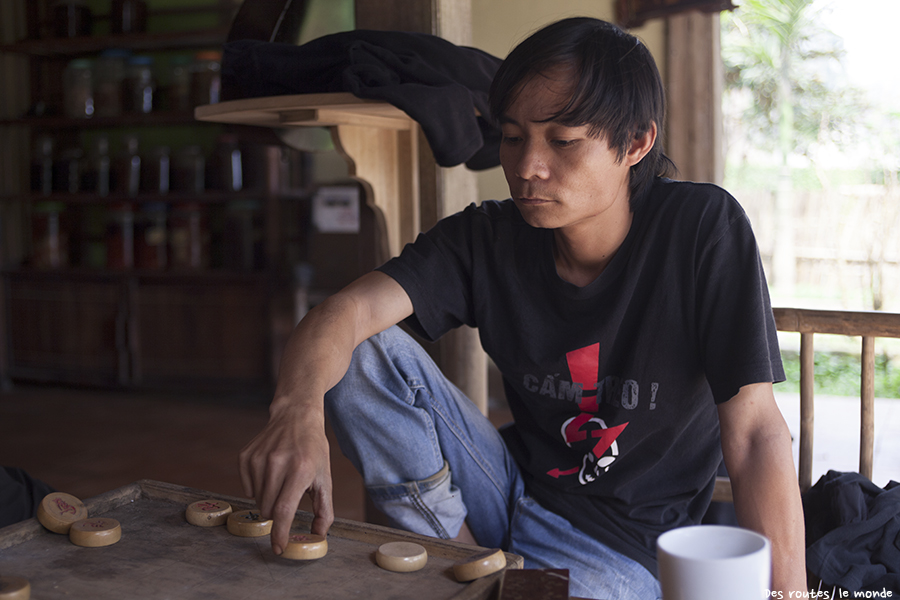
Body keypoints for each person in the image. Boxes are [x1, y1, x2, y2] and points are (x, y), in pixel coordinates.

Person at [239, 16, 806, 599]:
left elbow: (756, 432)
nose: (528, 166)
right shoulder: (489, 237)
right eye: (512, 137)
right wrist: (297, 410)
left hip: (620, 546)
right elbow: (345, 314)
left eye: (562, 141)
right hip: (503, 491)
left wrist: (790, 596)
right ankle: (457, 561)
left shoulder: (702, 231)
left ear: (636, 143)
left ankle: (478, 581)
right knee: (360, 351)